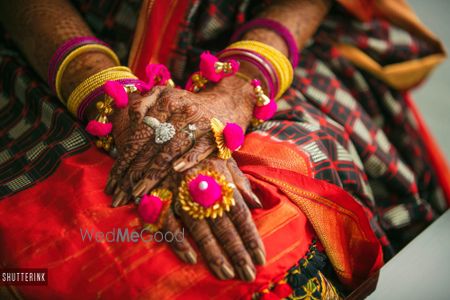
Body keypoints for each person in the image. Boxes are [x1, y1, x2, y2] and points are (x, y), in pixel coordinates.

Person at [0, 0, 448, 299]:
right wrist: (110, 96)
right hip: (59, 56)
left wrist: (241, 86)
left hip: (265, 41)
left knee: (279, 239)